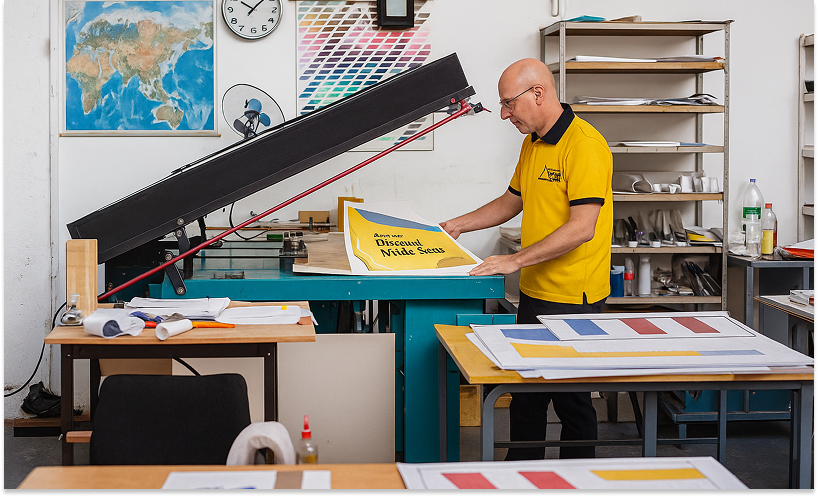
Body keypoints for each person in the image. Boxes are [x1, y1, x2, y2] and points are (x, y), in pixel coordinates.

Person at [441, 58, 613, 460]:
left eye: (508, 103)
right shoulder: (533, 142)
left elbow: (582, 227)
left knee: (570, 400)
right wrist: (457, 224)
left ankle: (576, 478)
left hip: (574, 295)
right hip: (536, 291)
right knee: (527, 394)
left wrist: (514, 261)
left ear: (538, 93)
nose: (504, 114)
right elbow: (511, 201)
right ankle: (520, 471)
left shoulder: (585, 145)